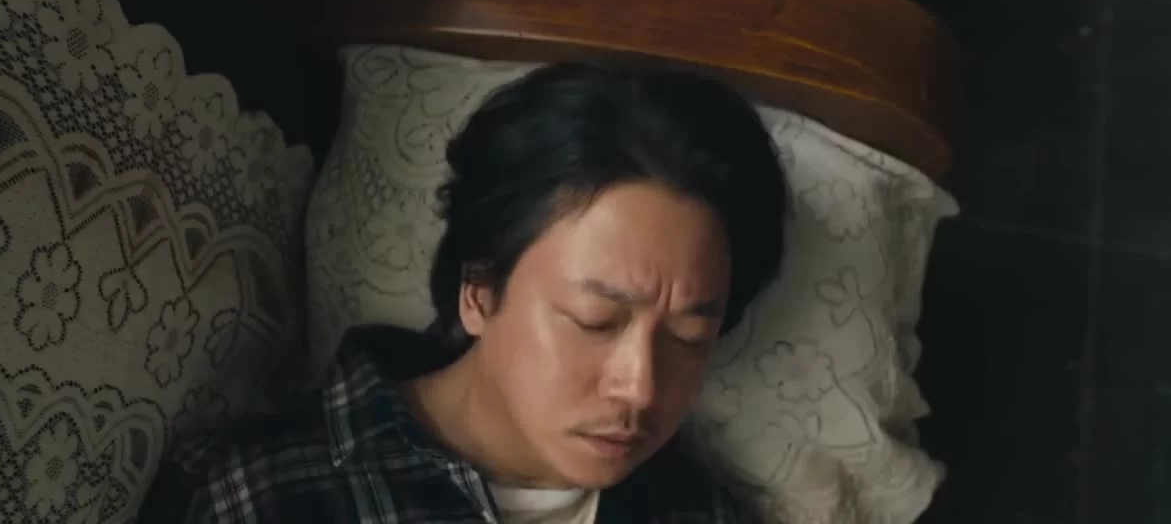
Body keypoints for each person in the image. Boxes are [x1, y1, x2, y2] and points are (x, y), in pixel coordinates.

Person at [139, 61, 787, 523]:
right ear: (478, 293)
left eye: (688, 338)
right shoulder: (251, 492)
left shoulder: (701, 511)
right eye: (595, 320)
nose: (640, 388)